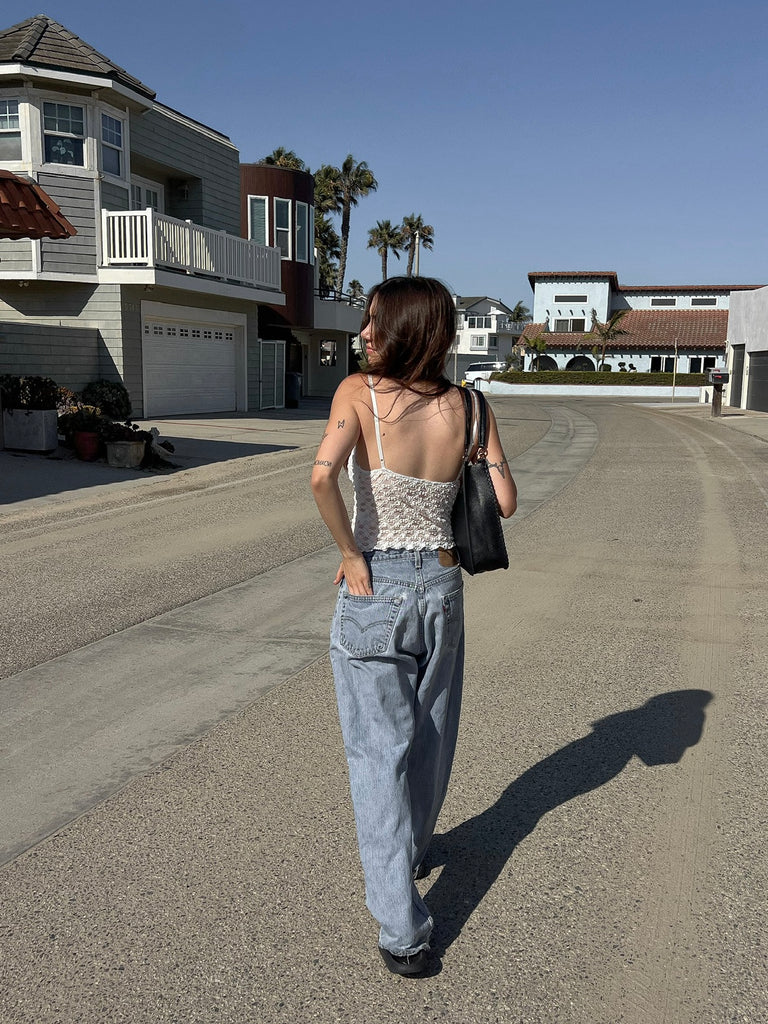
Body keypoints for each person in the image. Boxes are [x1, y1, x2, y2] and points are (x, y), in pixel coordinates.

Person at [311, 277, 517, 976]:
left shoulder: (357, 395)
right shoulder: (471, 406)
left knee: (377, 756)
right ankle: (415, 850)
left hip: (374, 587)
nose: (365, 333)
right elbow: (507, 503)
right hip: (441, 584)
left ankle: (403, 933)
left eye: (373, 323)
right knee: (430, 735)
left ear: (402, 329)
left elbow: (320, 479)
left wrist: (348, 551)